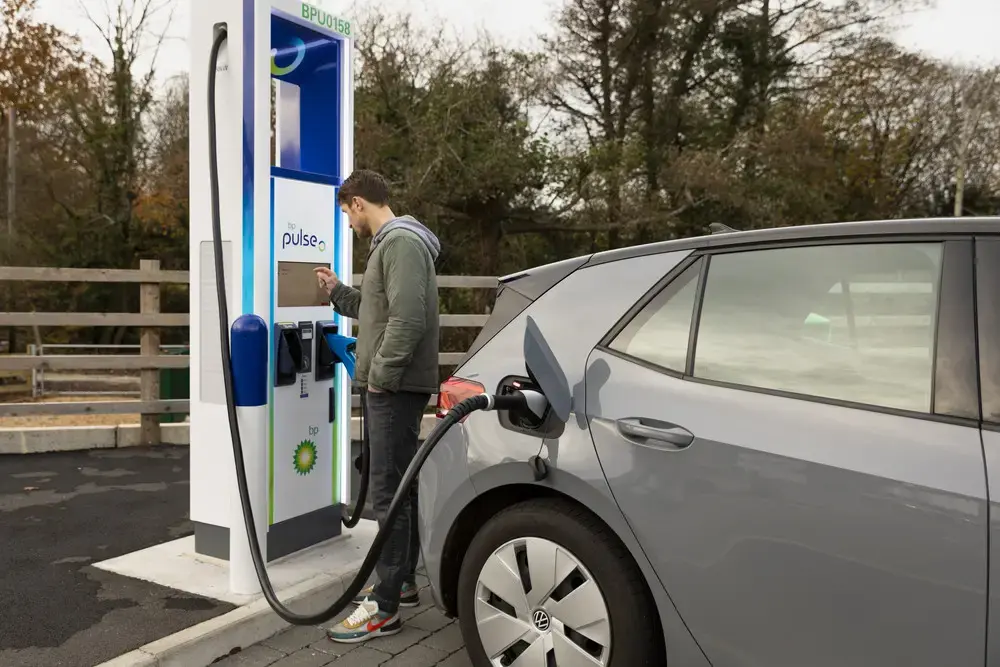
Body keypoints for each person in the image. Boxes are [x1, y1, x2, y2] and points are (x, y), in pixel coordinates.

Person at [314, 169, 440, 644]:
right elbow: (378, 310)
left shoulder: (401, 243)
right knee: (399, 487)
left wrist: (381, 379)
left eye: (347, 213)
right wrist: (336, 292)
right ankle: (401, 583)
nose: (348, 223)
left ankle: (384, 608)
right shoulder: (394, 245)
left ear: (359, 203)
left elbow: (407, 320)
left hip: (394, 387)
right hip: (395, 385)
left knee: (387, 492)